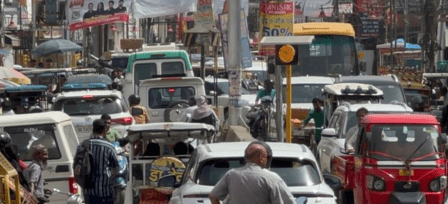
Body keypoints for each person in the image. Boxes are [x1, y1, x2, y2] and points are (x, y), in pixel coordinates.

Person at [208, 141, 295, 204]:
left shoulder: (231, 174)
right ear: (261, 158)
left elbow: (213, 196)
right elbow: (289, 201)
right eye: (266, 158)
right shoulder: (271, 178)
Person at [82, 119, 119, 204]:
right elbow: (115, 166)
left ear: (93, 129)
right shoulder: (109, 146)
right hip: (105, 191)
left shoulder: (83, 145)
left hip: (88, 192)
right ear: (104, 130)